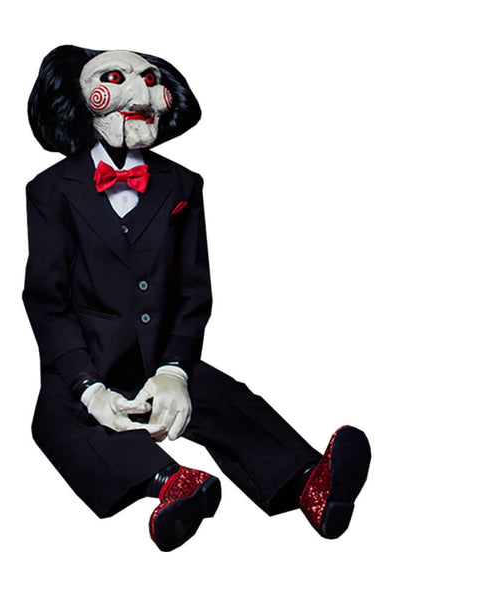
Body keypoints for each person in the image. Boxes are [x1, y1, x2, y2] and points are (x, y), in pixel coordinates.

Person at [24, 45, 371, 551]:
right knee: (61, 423)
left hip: (160, 352)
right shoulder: (50, 190)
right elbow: (47, 300)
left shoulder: (183, 184)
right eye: (117, 77)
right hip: (88, 359)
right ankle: (171, 483)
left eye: (150, 79)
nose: (141, 90)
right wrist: (87, 386)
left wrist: (174, 371)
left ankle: (309, 481)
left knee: (226, 399)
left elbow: (193, 289)